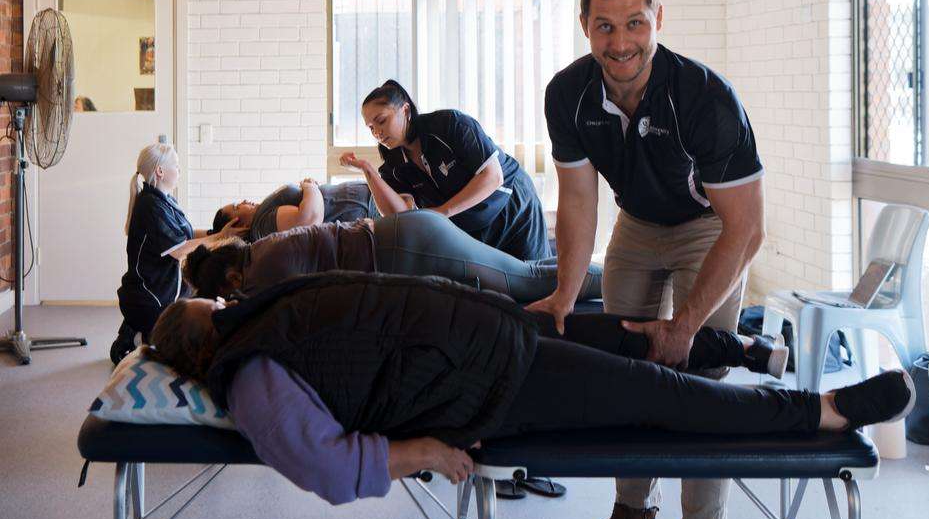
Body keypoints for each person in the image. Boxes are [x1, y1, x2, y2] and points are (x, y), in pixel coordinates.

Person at [144, 271, 914, 510]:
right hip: (490, 382)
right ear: (202, 334)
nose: (221, 300)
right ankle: (822, 409)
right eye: (210, 306)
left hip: (491, 334)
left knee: (630, 329)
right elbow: (322, 464)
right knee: (654, 392)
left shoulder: (261, 321)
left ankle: (751, 350)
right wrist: (423, 452)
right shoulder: (250, 377)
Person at [528, 0, 766, 519]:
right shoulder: (568, 94)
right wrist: (564, 292)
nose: (621, 41)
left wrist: (685, 324)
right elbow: (578, 202)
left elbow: (747, 228)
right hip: (636, 222)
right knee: (625, 367)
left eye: (635, 23)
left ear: (657, 19)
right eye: (604, 26)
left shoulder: (705, 98)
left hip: (708, 228)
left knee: (698, 379)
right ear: (585, 27)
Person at [184, 209, 602, 304]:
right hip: (405, 236)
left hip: (407, 247)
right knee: (525, 274)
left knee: (524, 284)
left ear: (231, 280)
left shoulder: (262, 275)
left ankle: (622, 280)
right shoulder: (261, 252)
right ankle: (613, 275)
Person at [340, 80, 550, 261]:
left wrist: (442, 212)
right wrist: (368, 171)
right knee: (493, 294)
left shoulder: (449, 124)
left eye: (381, 121)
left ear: (405, 110)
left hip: (512, 204)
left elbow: (493, 176)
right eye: (370, 127)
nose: (377, 132)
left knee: (535, 278)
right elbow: (400, 214)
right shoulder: (393, 162)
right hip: (471, 223)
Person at [110, 144, 245, 365]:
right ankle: (131, 336)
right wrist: (220, 238)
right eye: (176, 165)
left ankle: (135, 330)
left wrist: (218, 234)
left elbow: (186, 237)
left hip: (164, 288)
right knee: (170, 353)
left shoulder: (164, 200)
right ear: (160, 171)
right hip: (150, 296)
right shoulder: (151, 206)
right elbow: (179, 250)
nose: (180, 170)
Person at [210, 179, 379, 242]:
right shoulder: (262, 225)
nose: (244, 202)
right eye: (236, 207)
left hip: (368, 201)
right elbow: (309, 219)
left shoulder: (263, 218)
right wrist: (310, 187)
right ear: (237, 224)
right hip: (367, 211)